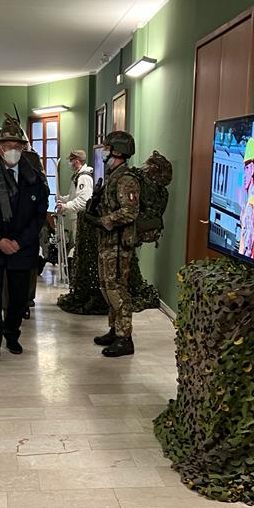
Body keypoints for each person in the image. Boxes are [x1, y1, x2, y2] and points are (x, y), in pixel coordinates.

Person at [0, 114, 49, 359]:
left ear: (23, 148)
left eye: (17, 146)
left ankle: (12, 334)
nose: (12, 150)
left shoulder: (34, 177)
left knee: (18, 296)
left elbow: (39, 215)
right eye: (7, 145)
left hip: (22, 247)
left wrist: (19, 242)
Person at [91, 130, 141, 358]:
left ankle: (125, 338)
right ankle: (115, 329)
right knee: (106, 287)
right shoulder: (113, 175)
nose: (104, 152)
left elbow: (130, 211)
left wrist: (105, 220)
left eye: (107, 148)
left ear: (118, 151)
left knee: (116, 289)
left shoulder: (126, 179)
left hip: (119, 245)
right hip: (107, 242)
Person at [57, 149, 94, 248]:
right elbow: (74, 196)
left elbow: (83, 201)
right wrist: (62, 199)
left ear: (76, 161)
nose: (70, 163)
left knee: (80, 246)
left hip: (81, 218)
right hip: (76, 217)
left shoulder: (84, 178)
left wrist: (66, 206)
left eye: (71, 160)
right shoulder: (78, 176)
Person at [237, 137, 254, 260]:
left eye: (247, 168)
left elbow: (247, 250)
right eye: (244, 168)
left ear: (252, 170)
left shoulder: (251, 205)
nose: (244, 174)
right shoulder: (250, 202)